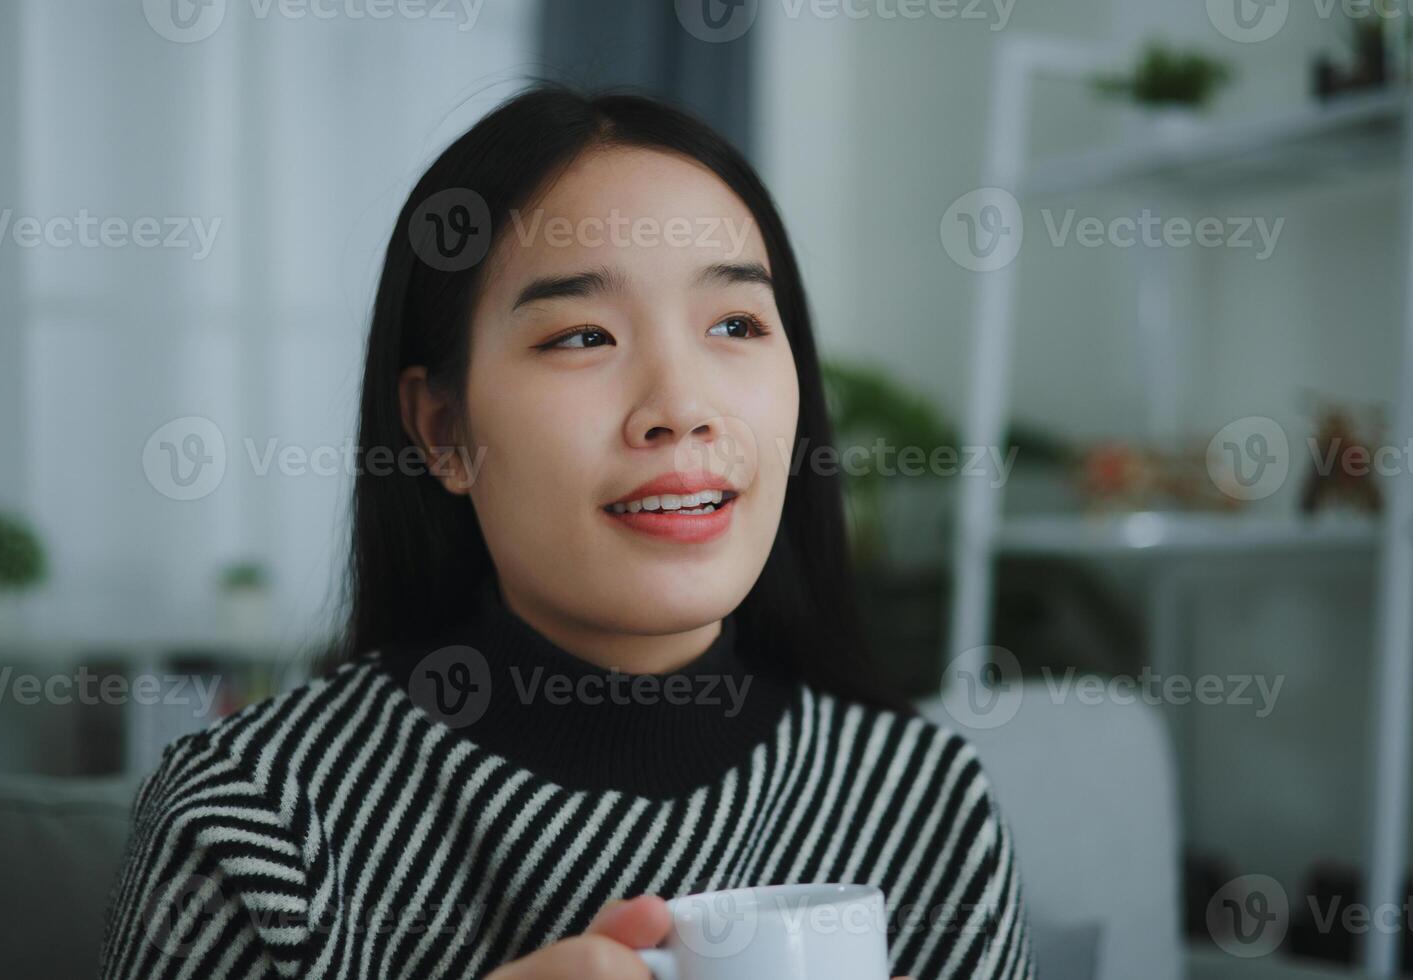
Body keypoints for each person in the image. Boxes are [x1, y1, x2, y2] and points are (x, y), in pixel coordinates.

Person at [99, 81, 1034, 980]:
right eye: (583, 336)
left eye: (738, 322)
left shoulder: (923, 803)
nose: (681, 406)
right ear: (443, 431)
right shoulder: (256, 822)